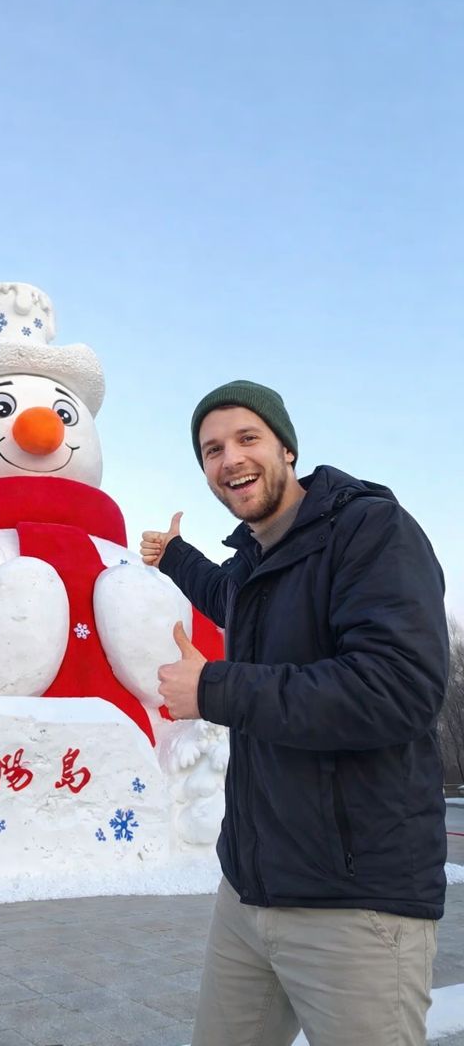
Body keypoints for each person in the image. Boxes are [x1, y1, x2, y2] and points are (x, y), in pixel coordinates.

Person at [140, 380, 448, 1046]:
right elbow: (228, 593)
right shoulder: (256, 566)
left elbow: (397, 689)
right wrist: (174, 557)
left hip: (355, 905)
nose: (229, 460)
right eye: (211, 449)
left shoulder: (370, 532)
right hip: (250, 895)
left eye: (247, 438)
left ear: (285, 447)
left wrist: (214, 688)